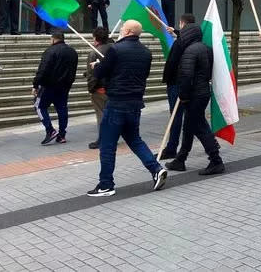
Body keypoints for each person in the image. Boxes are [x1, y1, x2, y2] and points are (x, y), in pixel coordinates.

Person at [88, 20, 167, 197]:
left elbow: (102, 73)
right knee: (134, 139)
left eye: (122, 29)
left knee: (108, 145)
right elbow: (141, 75)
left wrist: (96, 67)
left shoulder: (115, 50)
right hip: (135, 103)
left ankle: (106, 184)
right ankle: (156, 169)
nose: (120, 31)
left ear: (129, 31)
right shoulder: (146, 52)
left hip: (116, 102)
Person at [164, 20, 225, 175]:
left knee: (198, 126)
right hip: (203, 91)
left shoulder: (189, 51)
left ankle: (216, 160)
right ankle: (181, 158)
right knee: (190, 125)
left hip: (193, 94)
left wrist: (183, 95)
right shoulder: (206, 48)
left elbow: (186, 75)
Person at [32, 30, 78, 145]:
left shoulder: (50, 51)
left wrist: (35, 85)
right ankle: (62, 135)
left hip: (49, 85)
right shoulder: (72, 52)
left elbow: (43, 70)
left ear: (53, 39)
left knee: (39, 106)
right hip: (64, 86)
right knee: (62, 109)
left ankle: (50, 130)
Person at [158, 14, 194, 160]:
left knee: (176, 117)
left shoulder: (180, 43)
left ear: (182, 23)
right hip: (189, 84)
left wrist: (168, 80)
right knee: (193, 117)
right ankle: (211, 143)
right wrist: (176, 33)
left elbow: (172, 63)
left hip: (176, 83)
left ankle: (172, 148)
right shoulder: (195, 40)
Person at [83, 26, 114, 149]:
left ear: (96, 38)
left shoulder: (94, 53)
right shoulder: (114, 49)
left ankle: (102, 139)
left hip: (100, 89)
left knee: (101, 115)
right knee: (110, 115)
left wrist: (91, 88)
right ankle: (111, 136)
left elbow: (93, 75)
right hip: (113, 88)